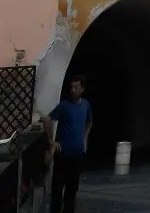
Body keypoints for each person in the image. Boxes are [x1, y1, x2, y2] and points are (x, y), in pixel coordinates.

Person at [44, 75, 92, 213]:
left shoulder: (86, 105)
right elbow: (47, 119)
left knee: (71, 191)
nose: (72, 90)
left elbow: (89, 122)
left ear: (82, 89)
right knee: (57, 191)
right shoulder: (64, 105)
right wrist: (51, 141)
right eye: (71, 87)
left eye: (76, 87)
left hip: (77, 155)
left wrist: (85, 139)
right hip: (63, 154)